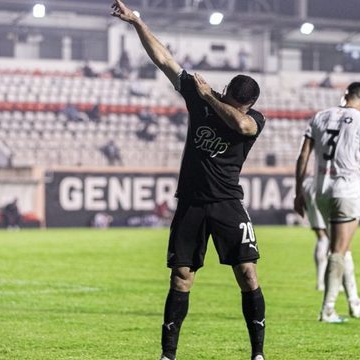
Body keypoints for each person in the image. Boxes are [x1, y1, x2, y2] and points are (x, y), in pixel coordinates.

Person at [111, 1, 267, 359]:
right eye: (226, 96)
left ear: (248, 104)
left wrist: (210, 95)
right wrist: (136, 21)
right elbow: (165, 59)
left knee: (247, 273)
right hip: (192, 203)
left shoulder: (251, 118)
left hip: (228, 203)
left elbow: (241, 125)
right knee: (180, 276)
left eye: (236, 102)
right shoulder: (201, 102)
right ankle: (168, 355)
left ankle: (257, 353)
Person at [294, 82, 360, 323]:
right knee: (338, 251)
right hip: (346, 191)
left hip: (320, 190)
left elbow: (303, 157)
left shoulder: (320, 116)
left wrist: (298, 192)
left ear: (345, 96)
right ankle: (328, 309)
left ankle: (354, 301)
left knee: (342, 248)